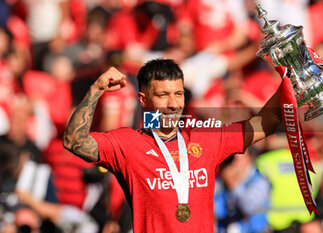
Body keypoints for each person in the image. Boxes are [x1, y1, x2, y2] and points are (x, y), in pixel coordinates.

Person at [62, 58, 282, 233]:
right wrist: (96, 89)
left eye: (178, 94)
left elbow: (266, 122)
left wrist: (290, 83)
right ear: (143, 99)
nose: (173, 105)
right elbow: (74, 141)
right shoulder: (127, 144)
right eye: (163, 95)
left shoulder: (206, 137)